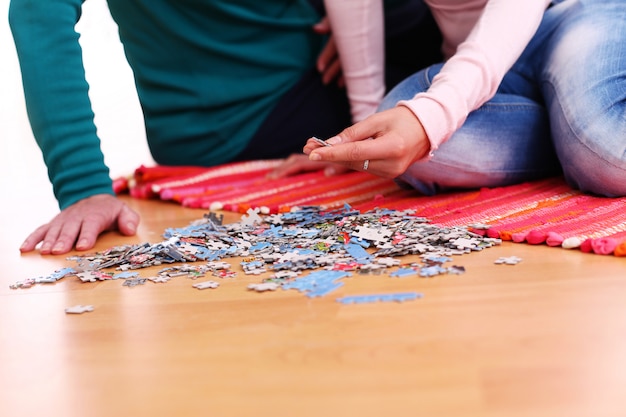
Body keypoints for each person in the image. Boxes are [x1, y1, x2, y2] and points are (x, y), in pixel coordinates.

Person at [9, 0, 443, 255]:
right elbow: (38, 18)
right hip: (249, 114)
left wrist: (349, 19)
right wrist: (84, 188)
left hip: (291, 76)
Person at [302, 0, 626, 198]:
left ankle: (578, 134)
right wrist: (360, 136)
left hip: (576, 14)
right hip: (478, 70)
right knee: (399, 140)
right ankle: (569, 131)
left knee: (609, 157)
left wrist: (437, 112)